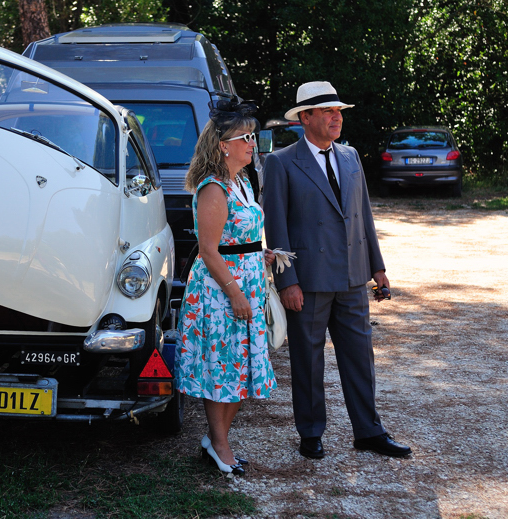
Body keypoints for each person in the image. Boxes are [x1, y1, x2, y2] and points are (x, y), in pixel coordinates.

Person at [262, 81, 411, 459]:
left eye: (339, 111)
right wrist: (287, 281)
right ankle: (311, 433)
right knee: (307, 362)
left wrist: (378, 267)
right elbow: (276, 225)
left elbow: (364, 216)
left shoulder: (350, 157)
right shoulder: (281, 162)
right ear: (305, 117)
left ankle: (369, 431)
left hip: (351, 278)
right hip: (307, 282)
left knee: (361, 357)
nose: (336, 117)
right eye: (327, 111)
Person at [175, 100, 277, 476]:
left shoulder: (242, 181)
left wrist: (259, 252)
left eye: (254, 135)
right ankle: (219, 444)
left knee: (241, 367)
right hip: (221, 292)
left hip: (245, 282)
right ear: (224, 145)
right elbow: (208, 250)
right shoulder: (214, 188)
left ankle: (216, 439)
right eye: (246, 137)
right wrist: (235, 293)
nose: (254, 143)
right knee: (222, 370)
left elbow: (236, 236)